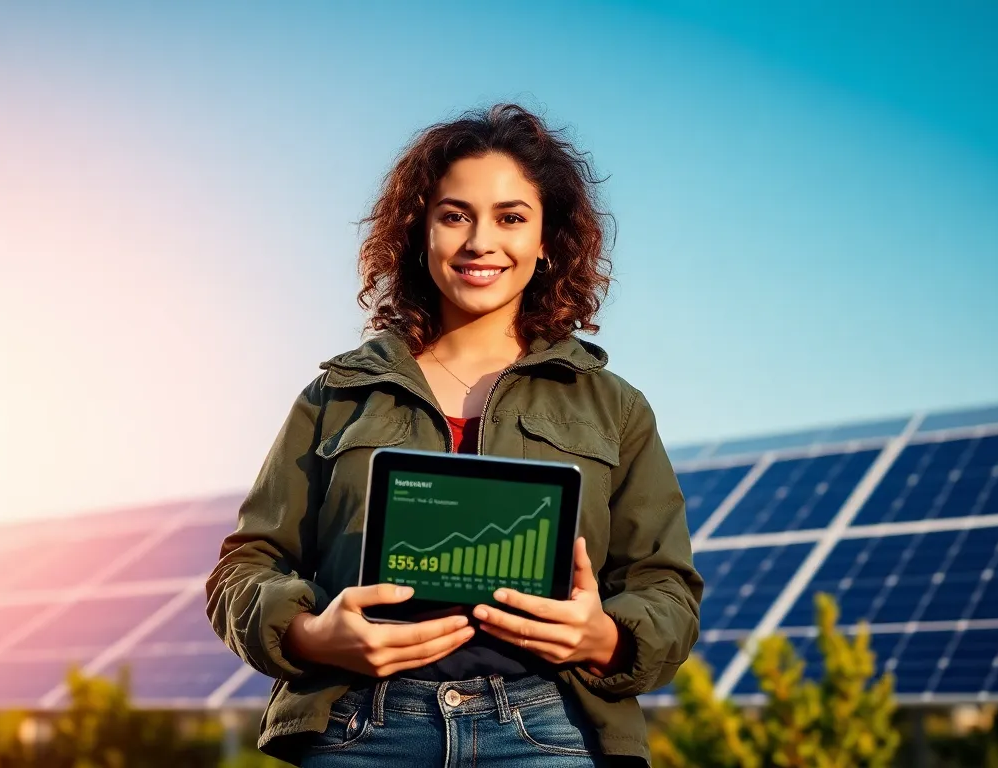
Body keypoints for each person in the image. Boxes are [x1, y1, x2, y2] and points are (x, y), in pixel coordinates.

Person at [206, 103, 702, 767]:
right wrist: (312, 636)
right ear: (421, 232)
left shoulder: (614, 408)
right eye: (454, 215)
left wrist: (604, 637)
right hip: (359, 729)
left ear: (547, 238)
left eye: (511, 217)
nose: (479, 241)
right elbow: (243, 567)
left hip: (548, 730)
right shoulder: (337, 395)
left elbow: (667, 589)